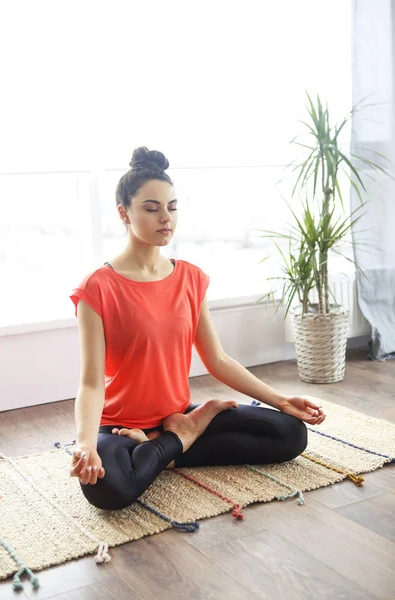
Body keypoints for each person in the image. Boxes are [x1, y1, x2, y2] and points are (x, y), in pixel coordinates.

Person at [68, 146, 326, 511]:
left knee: (290, 434)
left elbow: (218, 359)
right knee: (106, 489)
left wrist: (282, 400)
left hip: (179, 411)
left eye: (172, 207)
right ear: (124, 213)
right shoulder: (97, 287)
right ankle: (177, 442)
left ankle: (161, 449)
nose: (165, 218)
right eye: (151, 208)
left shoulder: (190, 278)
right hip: (119, 426)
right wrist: (85, 443)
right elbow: (92, 383)